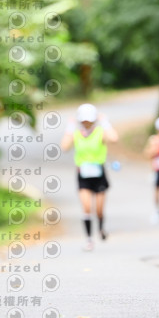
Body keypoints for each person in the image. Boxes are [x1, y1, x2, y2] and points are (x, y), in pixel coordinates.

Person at [61, 103, 118, 251]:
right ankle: (89, 240)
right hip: (83, 175)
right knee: (86, 207)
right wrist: (69, 127)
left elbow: (114, 138)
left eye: (89, 120)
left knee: (99, 210)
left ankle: (101, 228)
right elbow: (64, 147)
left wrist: (105, 122)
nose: (86, 123)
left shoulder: (100, 132)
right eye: (84, 120)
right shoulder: (76, 134)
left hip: (99, 174)